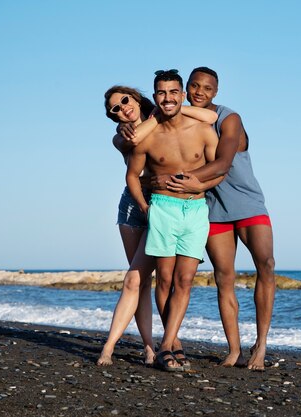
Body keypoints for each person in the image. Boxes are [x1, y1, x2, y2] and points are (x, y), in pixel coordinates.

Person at [157, 67, 276, 371]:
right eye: (194, 86)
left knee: (266, 266)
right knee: (224, 278)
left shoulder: (229, 118)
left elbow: (223, 162)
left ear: (216, 92)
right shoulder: (180, 121)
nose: (200, 92)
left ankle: (260, 346)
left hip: (248, 204)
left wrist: (182, 180)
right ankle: (234, 350)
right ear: (187, 89)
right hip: (213, 209)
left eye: (207, 88)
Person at [97, 85, 217, 366]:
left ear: (136, 98)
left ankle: (158, 344)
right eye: (115, 109)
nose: (123, 108)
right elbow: (136, 142)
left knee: (141, 280)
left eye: (125, 100)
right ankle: (146, 347)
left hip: (167, 207)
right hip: (136, 206)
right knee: (137, 281)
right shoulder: (121, 136)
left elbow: (209, 119)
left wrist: (168, 108)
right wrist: (159, 115)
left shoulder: (162, 115)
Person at [126, 69, 221, 371]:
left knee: (185, 280)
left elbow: (220, 169)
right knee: (165, 279)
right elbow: (132, 175)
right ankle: (171, 344)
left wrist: (199, 186)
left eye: (172, 92)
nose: (167, 98)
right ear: (155, 98)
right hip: (163, 208)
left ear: (182, 95)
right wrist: (145, 207)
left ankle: (168, 343)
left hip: (195, 210)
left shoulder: (203, 129)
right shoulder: (148, 136)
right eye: (161, 93)